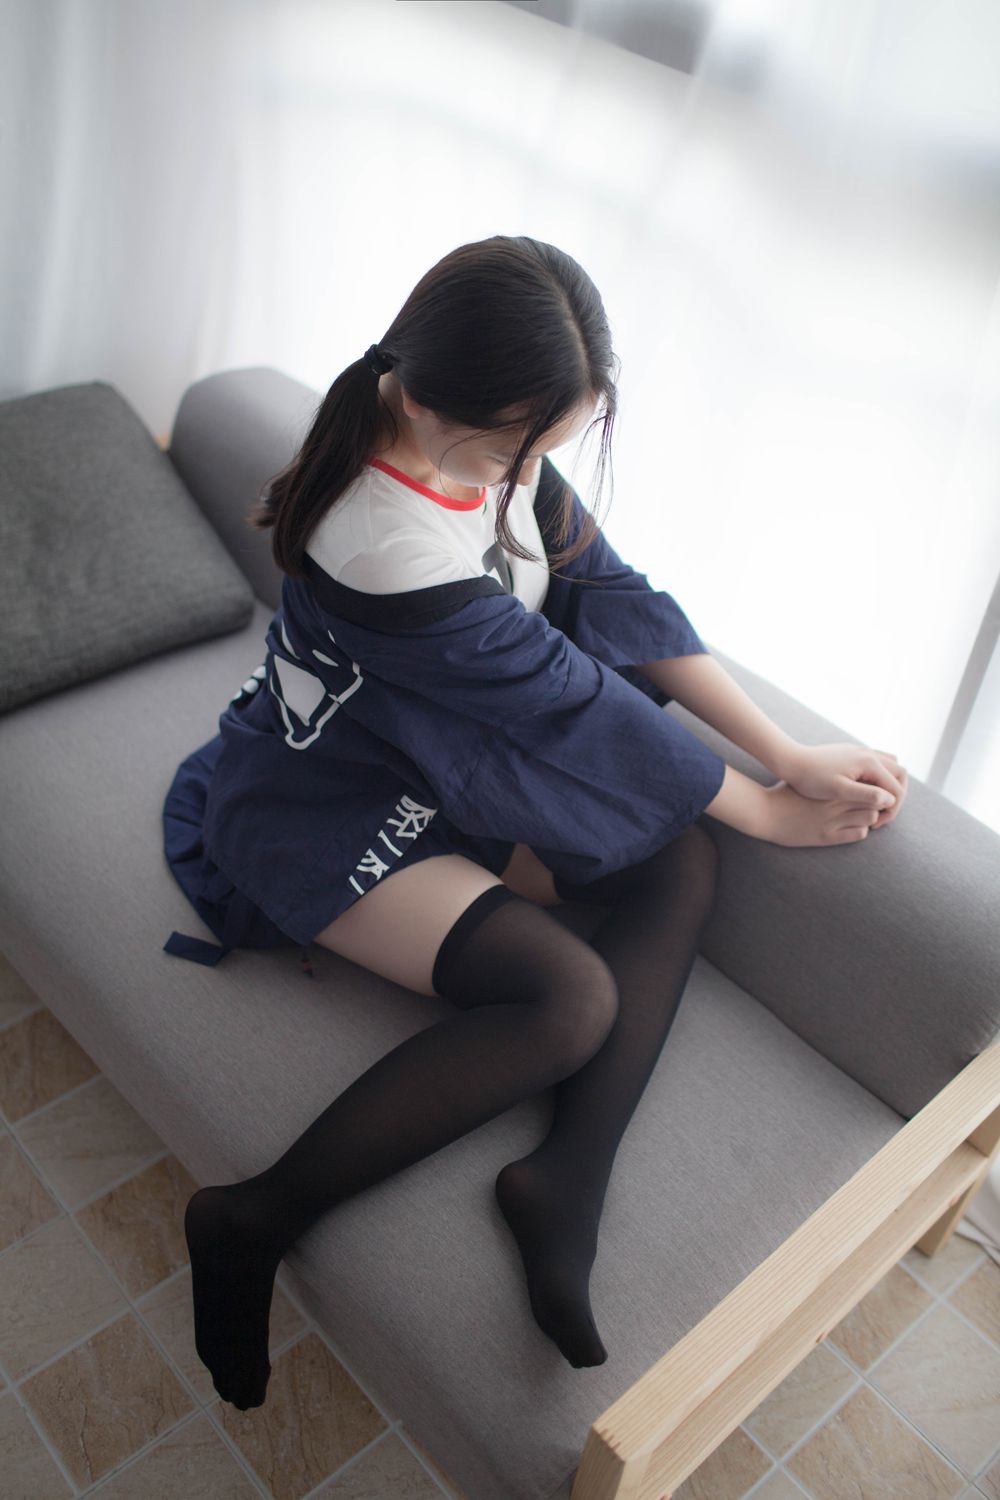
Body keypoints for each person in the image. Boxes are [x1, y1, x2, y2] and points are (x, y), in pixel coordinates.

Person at [162, 234, 908, 1411]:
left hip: (443, 755)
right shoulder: (380, 538)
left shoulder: (482, 442)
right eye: (526, 446)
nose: (536, 469)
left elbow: (608, 595)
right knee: (569, 1000)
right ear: (444, 403)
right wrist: (763, 811)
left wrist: (783, 752)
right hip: (328, 801)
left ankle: (565, 1178)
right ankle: (251, 1219)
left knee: (679, 856)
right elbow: (568, 702)